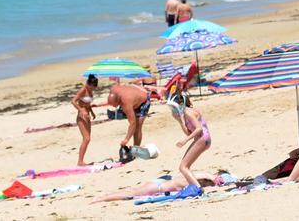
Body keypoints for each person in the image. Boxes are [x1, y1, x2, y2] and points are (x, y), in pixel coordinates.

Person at [92, 171, 229, 202]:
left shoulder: (199, 183)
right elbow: (202, 173)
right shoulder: (197, 177)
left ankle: (105, 195)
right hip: (159, 186)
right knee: (130, 194)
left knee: (132, 191)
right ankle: (100, 199)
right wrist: (213, 176)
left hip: (161, 184)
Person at [169, 94, 212, 193]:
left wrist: (185, 140)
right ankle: (196, 188)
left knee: (183, 167)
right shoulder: (184, 113)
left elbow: (199, 129)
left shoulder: (188, 112)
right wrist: (180, 120)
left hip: (202, 138)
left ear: (180, 104)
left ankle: (197, 189)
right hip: (202, 139)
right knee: (184, 167)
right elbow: (189, 131)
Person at [105, 83, 150, 161]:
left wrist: (126, 139)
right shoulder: (114, 89)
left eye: (114, 105)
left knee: (138, 127)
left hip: (144, 101)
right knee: (134, 126)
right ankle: (134, 149)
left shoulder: (126, 103)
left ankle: (136, 149)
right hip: (135, 98)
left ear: (118, 100)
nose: (114, 107)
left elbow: (133, 124)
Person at [73, 75, 99, 166]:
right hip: (81, 116)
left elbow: (87, 103)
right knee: (86, 139)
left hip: (87, 116)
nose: (93, 89)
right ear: (89, 84)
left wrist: (92, 112)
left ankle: (81, 160)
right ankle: (80, 161)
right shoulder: (83, 90)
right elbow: (73, 101)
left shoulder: (90, 91)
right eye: (93, 87)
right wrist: (81, 110)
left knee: (88, 139)